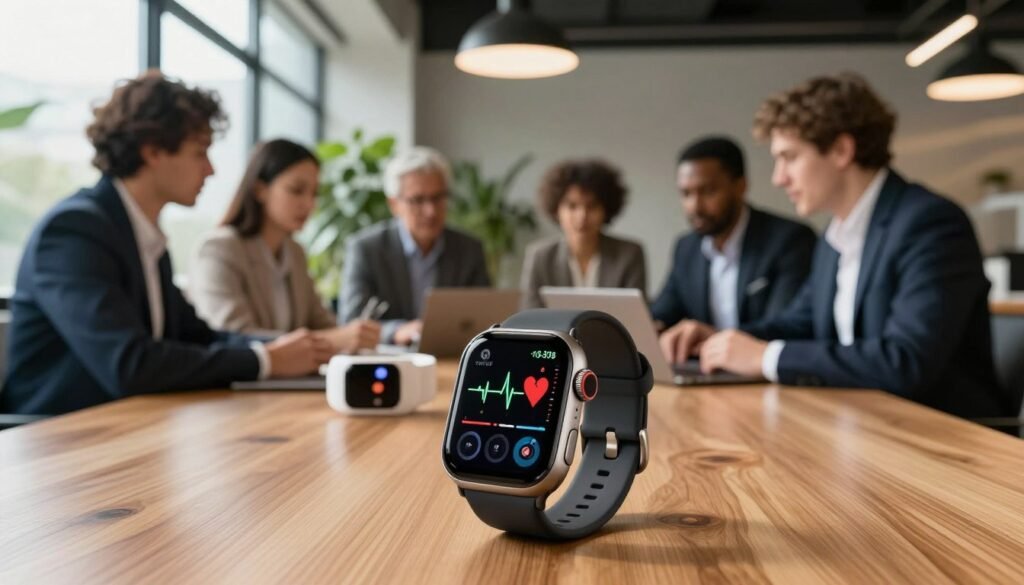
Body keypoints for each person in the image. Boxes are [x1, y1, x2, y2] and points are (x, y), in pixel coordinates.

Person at [662, 73, 1011, 419]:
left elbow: (906, 360)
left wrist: (766, 357)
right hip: (864, 425)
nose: (778, 177)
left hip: (946, 440)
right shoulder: (836, 235)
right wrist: (719, 341)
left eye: (790, 157)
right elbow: (801, 323)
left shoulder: (929, 223)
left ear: (842, 150)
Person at [1, 72, 326, 416]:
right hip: (54, 443)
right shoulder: (73, 232)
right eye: (200, 153)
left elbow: (196, 337)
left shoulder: (144, 237)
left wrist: (286, 349)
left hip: (130, 429)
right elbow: (130, 364)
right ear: (153, 150)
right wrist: (264, 360)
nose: (211, 170)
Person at [190, 139, 380, 352]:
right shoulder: (219, 249)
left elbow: (324, 324)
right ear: (260, 190)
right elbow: (234, 337)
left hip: (292, 381)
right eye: (296, 190)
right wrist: (331, 341)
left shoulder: (294, 252)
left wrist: (352, 336)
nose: (309, 204)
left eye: (314, 193)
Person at [652, 137, 816, 334]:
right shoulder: (686, 247)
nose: (695, 206)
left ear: (740, 186)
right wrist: (652, 328)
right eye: (686, 194)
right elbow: (662, 312)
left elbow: (786, 327)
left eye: (708, 191)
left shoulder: (790, 240)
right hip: (700, 364)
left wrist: (716, 341)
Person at [339, 146, 490, 346]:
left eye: (438, 198)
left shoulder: (469, 249)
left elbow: (485, 318)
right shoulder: (366, 249)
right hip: (390, 362)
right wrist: (397, 331)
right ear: (394, 204)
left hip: (451, 358)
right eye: (418, 200)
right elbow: (351, 322)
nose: (431, 211)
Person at [520, 159, 646, 309]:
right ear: (556, 209)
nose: (582, 216)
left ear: (606, 210)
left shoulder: (629, 254)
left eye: (592, 206)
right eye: (572, 206)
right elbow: (529, 315)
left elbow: (634, 314)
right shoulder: (540, 256)